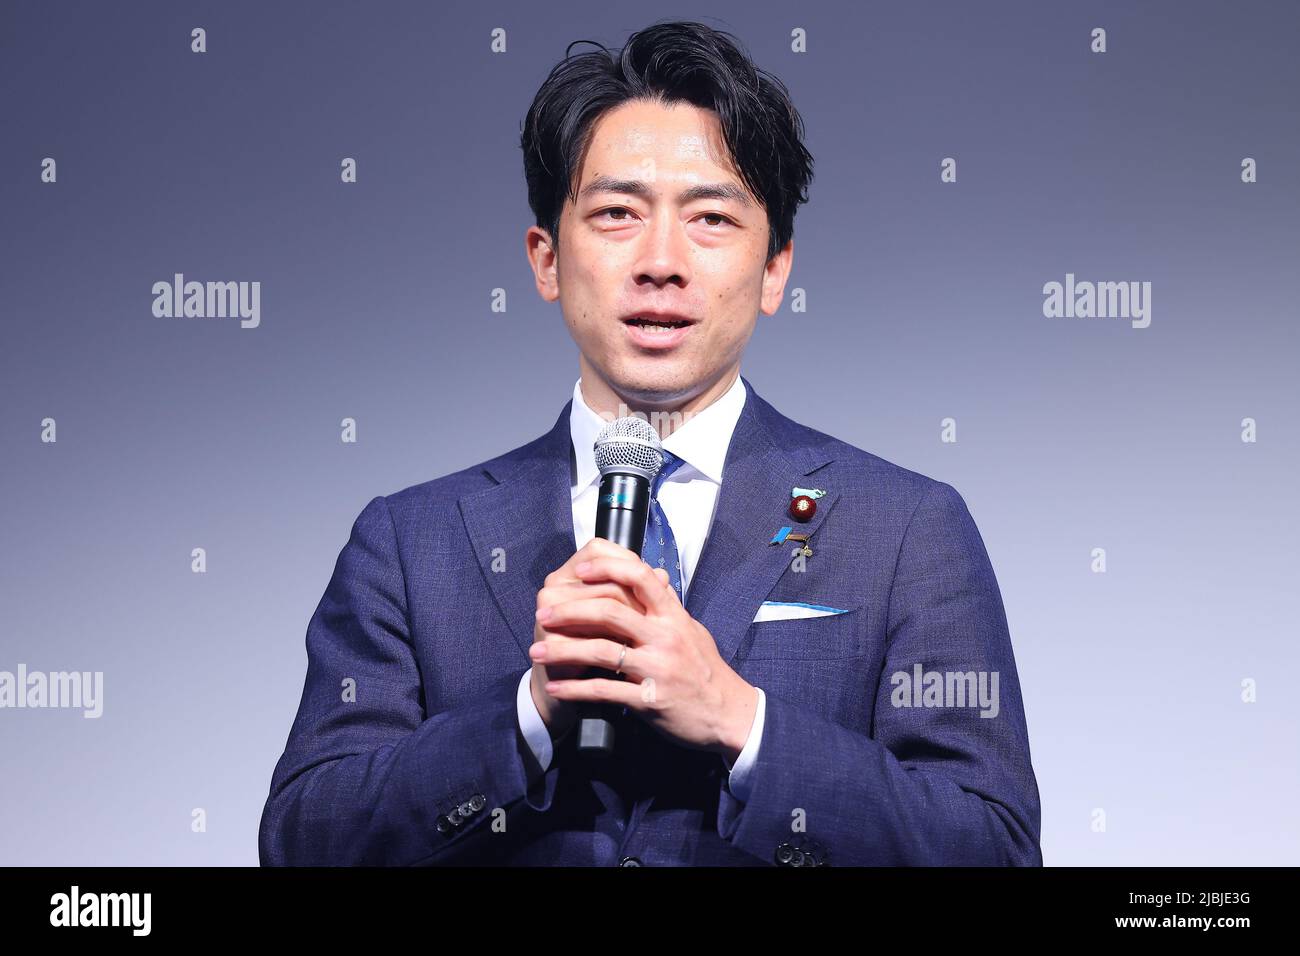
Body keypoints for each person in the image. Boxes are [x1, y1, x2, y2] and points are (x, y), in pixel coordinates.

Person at [258, 19, 1042, 867]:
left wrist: (742, 722)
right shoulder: (411, 543)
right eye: (617, 213)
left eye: (710, 218)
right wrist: (525, 716)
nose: (661, 261)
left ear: (775, 269)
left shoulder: (906, 528)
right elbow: (307, 841)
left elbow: (992, 849)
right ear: (546, 258)